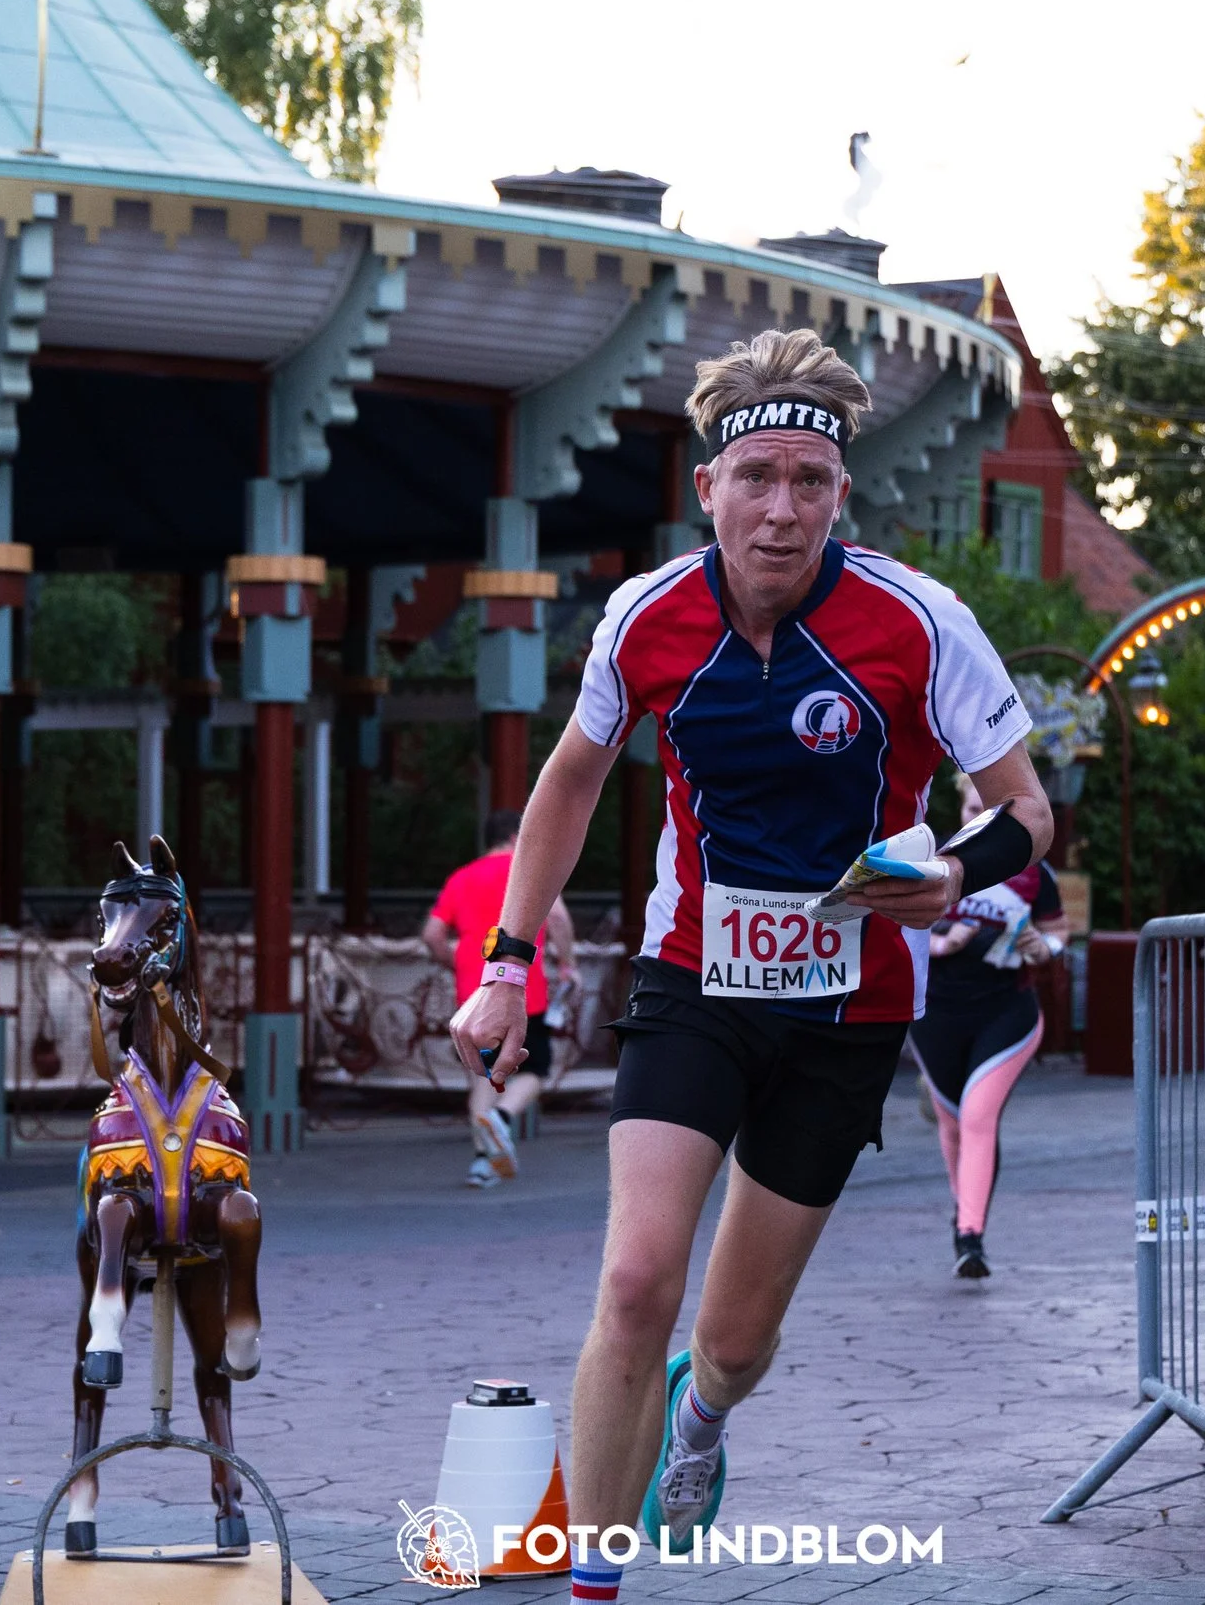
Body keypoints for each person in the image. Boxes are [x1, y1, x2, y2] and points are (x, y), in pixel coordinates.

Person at [446, 327, 1051, 1602]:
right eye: (758, 477)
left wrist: (952, 873)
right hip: (693, 980)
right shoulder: (646, 616)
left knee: (732, 1337)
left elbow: (1025, 810)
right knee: (633, 1279)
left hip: (848, 1008)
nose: (782, 509)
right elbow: (568, 782)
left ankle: (703, 1414)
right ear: (708, 486)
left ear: (841, 494)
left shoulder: (918, 621)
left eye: (810, 482)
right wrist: (506, 959)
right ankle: (595, 1584)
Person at [912, 774, 1070, 1278]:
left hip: (1007, 1011)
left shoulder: (1033, 871)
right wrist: (943, 943)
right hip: (934, 1013)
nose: (981, 820)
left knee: (978, 1115)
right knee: (952, 1122)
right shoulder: (931, 860)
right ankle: (965, 1215)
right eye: (972, 809)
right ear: (958, 811)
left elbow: (1058, 932)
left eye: (994, 811)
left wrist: (1044, 947)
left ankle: (970, 1234)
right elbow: (895, 927)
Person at [421, 809, 578, 1187]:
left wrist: (455, 963)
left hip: (473, 992)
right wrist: (567, 965)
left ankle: (482, 1162)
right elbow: (557, 918)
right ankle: (503, 1116)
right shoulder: (529, 870)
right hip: (522, 988)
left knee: (481, 1074)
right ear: (514, 837)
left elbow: (432, 935)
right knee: (536, 1069)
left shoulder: (461, 877)